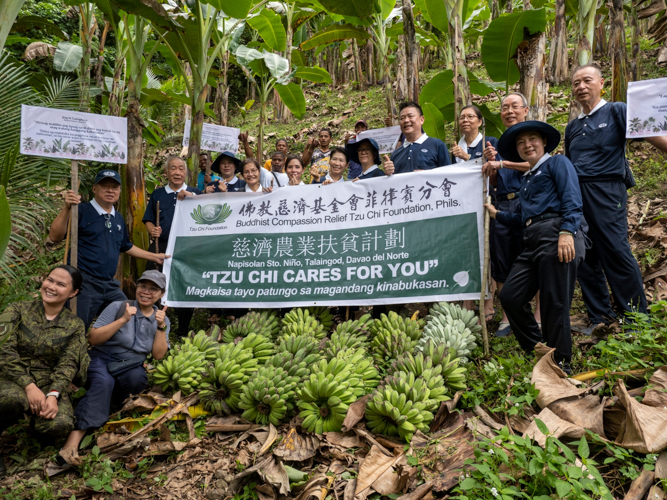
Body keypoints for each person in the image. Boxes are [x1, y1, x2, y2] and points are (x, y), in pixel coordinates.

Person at [565, 64, 667, 332]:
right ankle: (600, 317)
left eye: (587, 80)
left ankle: (636, 317)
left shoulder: (617, 110)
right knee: (584, 254)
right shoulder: (573, 127)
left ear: (601, 84)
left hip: (607, 190)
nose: (581, 87)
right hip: (578, 193)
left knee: (615, 249)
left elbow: (649, 133)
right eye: (576, 83)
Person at [485, 121, 585, 374]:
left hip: (556, 233)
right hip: (531, 239)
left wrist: (566, 232)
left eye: (532, 139)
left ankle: (562, 364)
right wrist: (497, 214)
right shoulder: (527, 179)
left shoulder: (557, 163)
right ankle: (539, 349)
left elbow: (572, 197)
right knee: (510, 296)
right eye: (520, 142)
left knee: (555, 302)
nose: (527, 145)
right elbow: (523, 217)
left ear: (543, 142)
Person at [59, 270, 170, 465]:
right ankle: (71, 443)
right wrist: (123, 320)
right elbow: (93, 338)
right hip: (101, 357)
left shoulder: (162, 318)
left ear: (161, 294)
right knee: (103, 381)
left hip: (131, 364)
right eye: (143, 286)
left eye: (153, 289)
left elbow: (158, 355)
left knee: (137, 380)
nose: (146, 291)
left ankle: (105, 407)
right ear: (137, 287)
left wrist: (161, 326)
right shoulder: (118, 306)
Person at [48, 169, 170, 330]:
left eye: (115, 187)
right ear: (94, 189)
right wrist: (67, 209)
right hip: (84, 281)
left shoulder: (117, 217)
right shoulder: (81, 211)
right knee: (76, 326)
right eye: (105, 186)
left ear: (119, 190)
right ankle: (72, 353)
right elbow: (55, 236)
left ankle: (108, 350)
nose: (110, 190)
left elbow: (126, 246)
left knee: (126, 314)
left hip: (109, 284)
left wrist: (153, 257)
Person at [0, 265, 88, 475]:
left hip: (48, 381)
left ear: (73, 293)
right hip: (10, 377)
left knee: (59, 424)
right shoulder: (17, 309)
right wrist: (28, 386)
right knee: (13, 399)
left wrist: (53, 394)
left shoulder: (75, 325)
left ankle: (33, 428)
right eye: (49, 280)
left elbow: (68, 363)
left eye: (60, 284)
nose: (51, 287)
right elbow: (4, 350)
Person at [483, 93, 541, 337]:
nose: (509, 111)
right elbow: (495, 181)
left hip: (526, 202)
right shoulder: (498, 143)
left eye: (514, 106)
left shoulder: (533, 138)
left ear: (525, 110)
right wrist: (491, 165)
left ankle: (538, 316)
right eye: (504, 107)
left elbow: (536, 163)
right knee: (502, 260)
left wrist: (503, 164)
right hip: (501, 204)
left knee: (533, 257)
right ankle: (508, 317)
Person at [451, 105, 498, 323]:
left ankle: (488, 304)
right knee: (466, 252)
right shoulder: (454, 148)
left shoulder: (489, 142)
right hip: (461, 208)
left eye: (470, 117)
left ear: (479, 121)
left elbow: (495, 170)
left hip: (485, 204)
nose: (465, 120)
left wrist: (469, 157)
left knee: (486, 252)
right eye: (462, 117)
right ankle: (467, 302)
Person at [143, 156, 198, 336]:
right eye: (173, 168)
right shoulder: (158, 194)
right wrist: (152, 230)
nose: (177, 172)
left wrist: (191, 197)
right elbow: (148, 219)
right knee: (152, 281)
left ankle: (182, 329)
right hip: (161, 246)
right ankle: (151, 325)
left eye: (181, 168)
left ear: (186, 173)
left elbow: (208, 210)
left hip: (187, 248)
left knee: (185, 285)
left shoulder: (195, 192)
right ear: (166, 172)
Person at [385, 102, 451, 174]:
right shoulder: (396, 153)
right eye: (402, 118)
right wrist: (389, 174)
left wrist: (427, 174)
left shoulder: (437, 145)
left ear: (422, 120)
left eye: (410, 116)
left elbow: (448, 174)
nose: (406, 120)